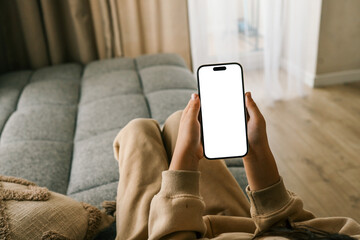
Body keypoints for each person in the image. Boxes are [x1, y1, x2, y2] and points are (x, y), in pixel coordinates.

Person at [113, 92, 360, 240]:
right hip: (240, 228)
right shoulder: (350, 232)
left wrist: (185, 161)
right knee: (181, 121)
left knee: (138, 131)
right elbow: (295, 230)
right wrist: (257, 152)